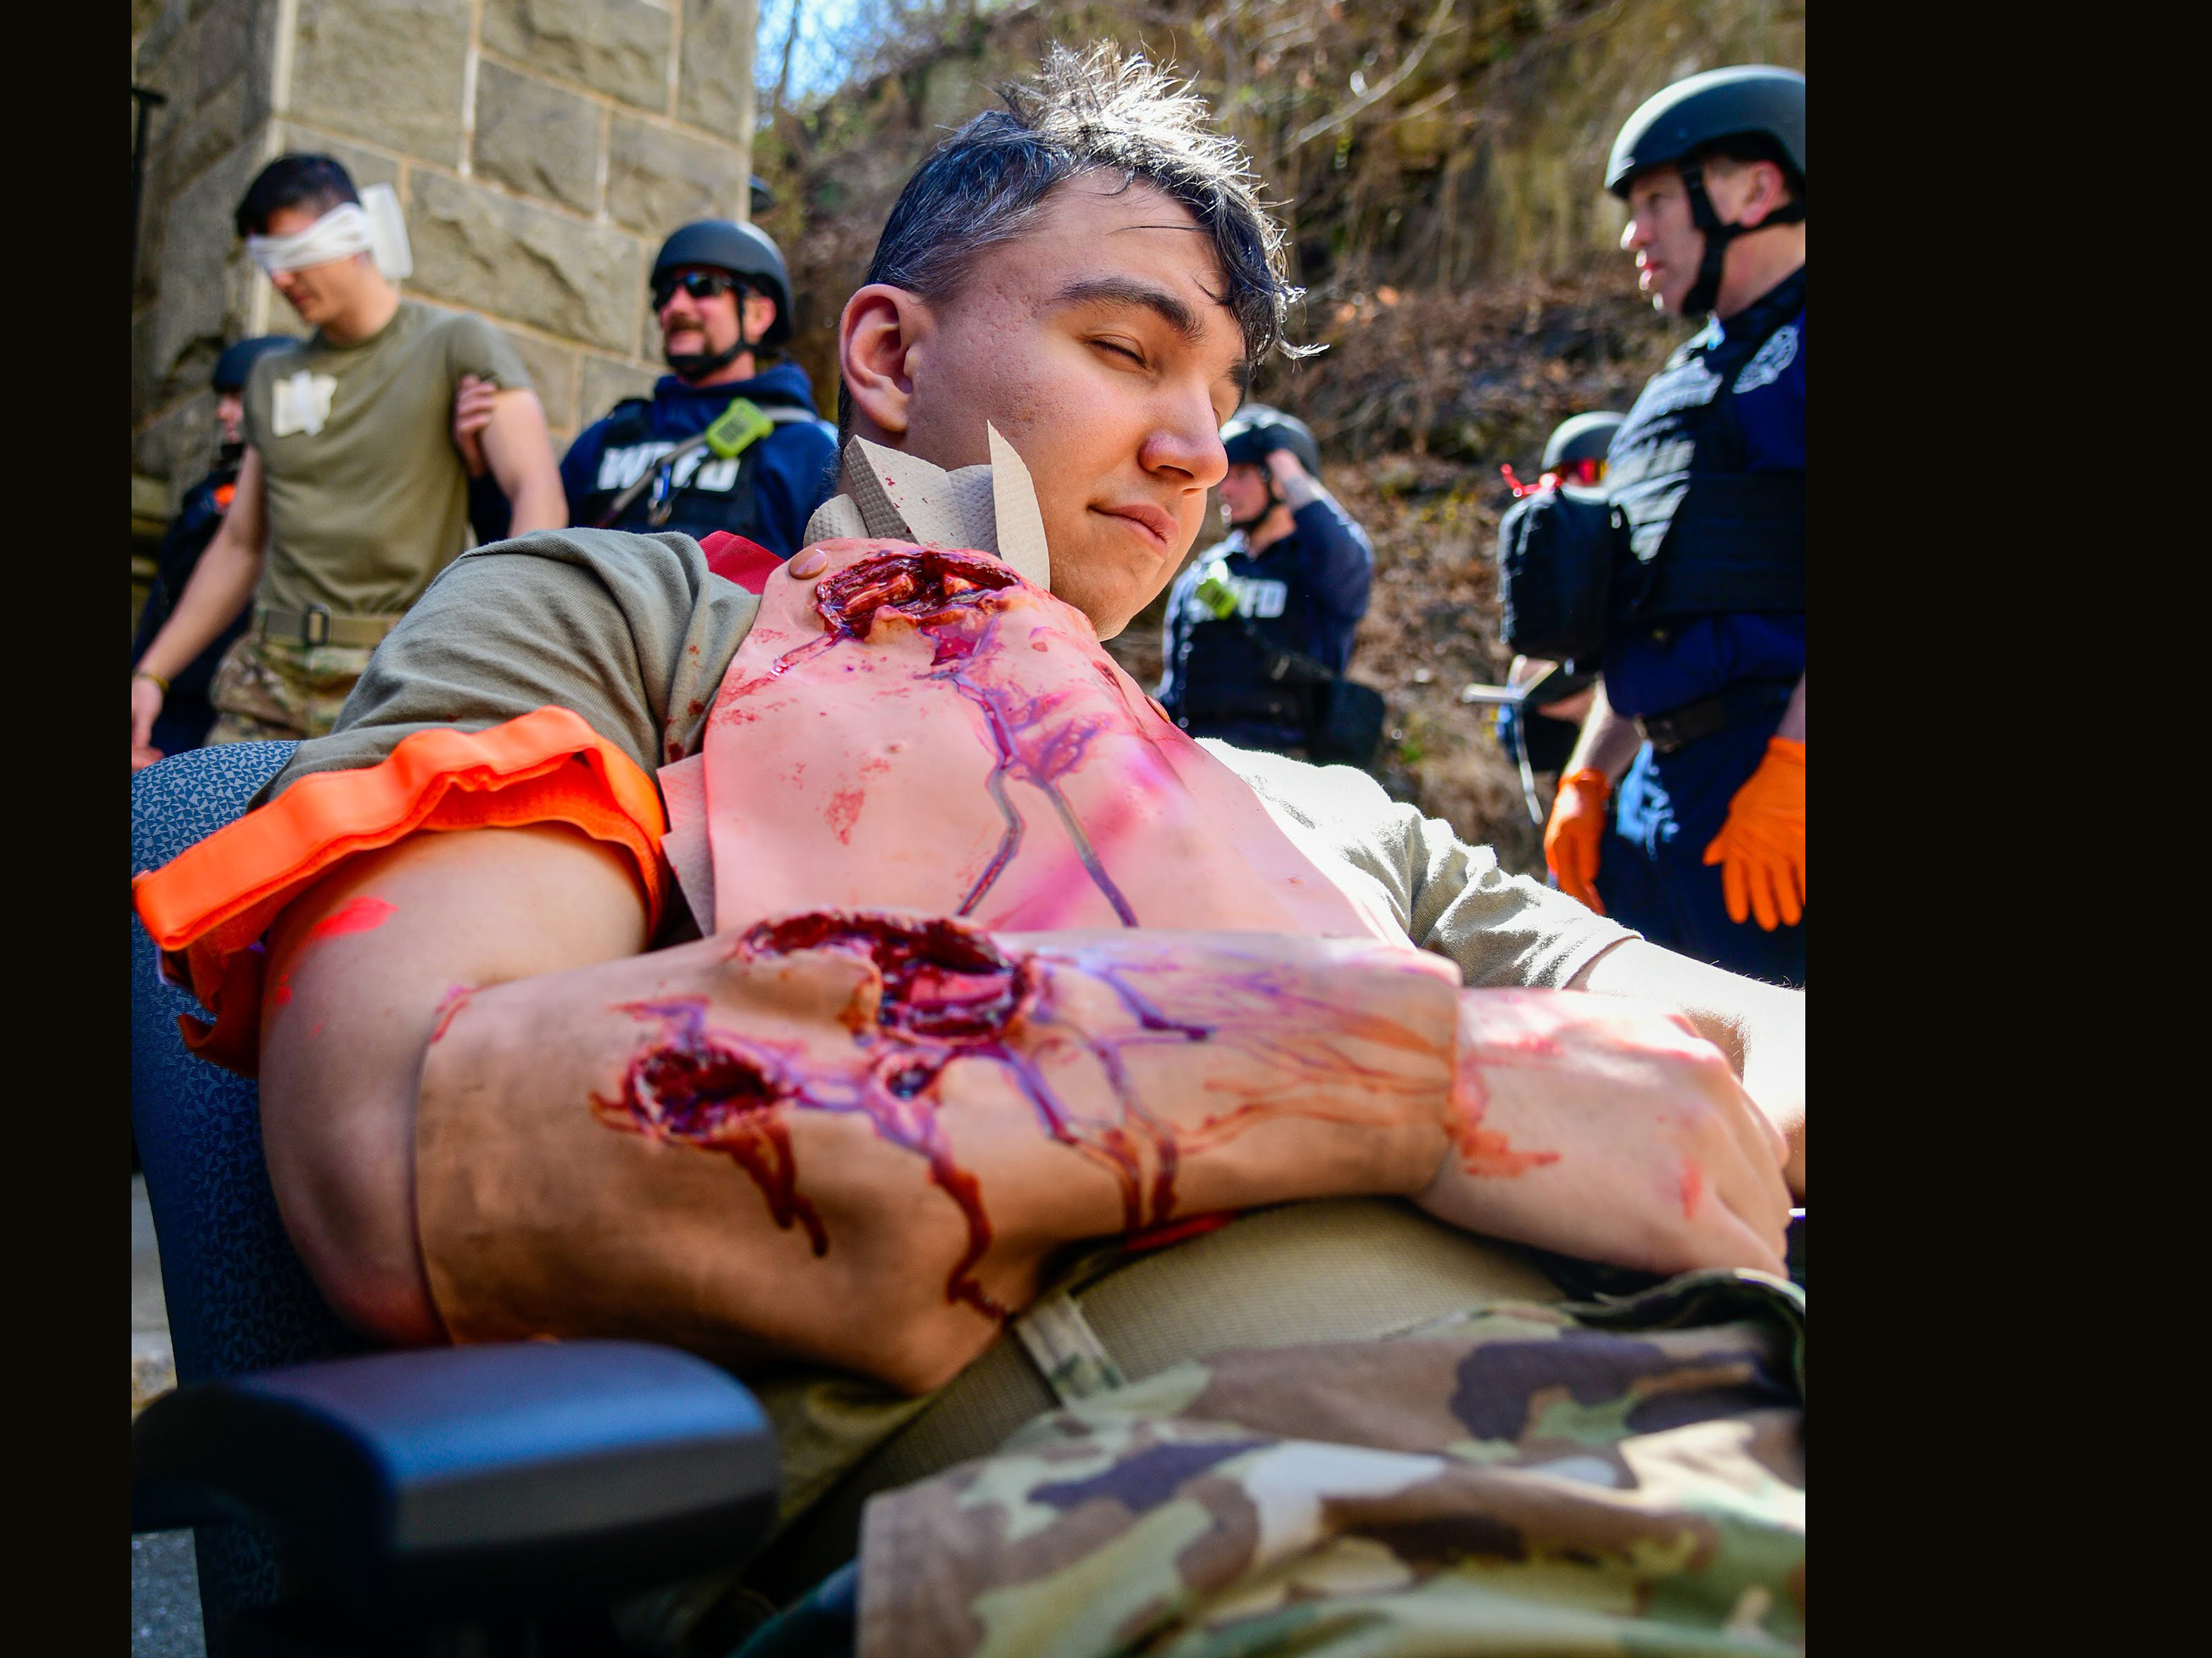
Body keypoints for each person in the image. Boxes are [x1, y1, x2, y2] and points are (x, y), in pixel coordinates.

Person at [136, 47, 1803, 1652]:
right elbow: (418, 1140)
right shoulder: (638, 634)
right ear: (879, 351)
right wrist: (1401, 1075)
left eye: (1221, 397)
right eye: (1127, 349)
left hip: (1733, 1426)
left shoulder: (1298, 801)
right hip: (1237, 1521)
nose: (1195, 447)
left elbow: (1737, 1022)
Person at [128, 154, 566, 767]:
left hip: (390, 680)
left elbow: (537, 495)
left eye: (292, 254)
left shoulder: (456, 345)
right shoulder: (271, 376)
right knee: (209, 853)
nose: (279, 281)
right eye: (265, 263)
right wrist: (151, 674)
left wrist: (496, 645)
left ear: (354, 235)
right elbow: (240, 545)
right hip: (265, 680)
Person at [1544, 66, 1807, 983]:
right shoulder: (1673, 388)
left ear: (1757, 189)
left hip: (1779, 777)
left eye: (1655, 198)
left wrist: (1795, 770)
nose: (1632, 232)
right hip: (1658, 796)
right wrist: (1589, 777)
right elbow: (1654, 601)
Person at [513, 219, 838, 559]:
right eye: (666, 293)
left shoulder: (807, 451)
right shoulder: (606, 438)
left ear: (758, 315)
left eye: (702, 286)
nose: (676, 307)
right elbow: (525, 563)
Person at [1155, 405, 1376, 757]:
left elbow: (1348, 555)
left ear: (1281, 482)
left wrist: (1285, 459)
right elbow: (1173, 688)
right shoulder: (1204, 573)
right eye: (1225, 474)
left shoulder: (1320, 567)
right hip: (1196, 764)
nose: (1225, 489)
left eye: (1242, 474)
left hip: (1288, 773)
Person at [130, 335, 298, 763]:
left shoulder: (293, 498)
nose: (224, 412)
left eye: (239, 399)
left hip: (233, 697)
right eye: (223, 398)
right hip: (170, 686)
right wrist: (146, 672)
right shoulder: (208, 492)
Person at [1492, 410, 1621, 797]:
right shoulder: (1542, 541)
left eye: (1598, 469)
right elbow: (1525, 749)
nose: (1583, 482)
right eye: (1573, 472)